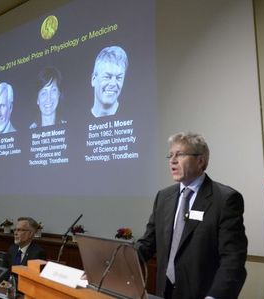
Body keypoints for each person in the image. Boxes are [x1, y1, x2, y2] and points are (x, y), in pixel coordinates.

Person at [135, 132, 247, 299]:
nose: (172, 161)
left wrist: (214, 297)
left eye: (179, 155)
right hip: (164, 292)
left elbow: (233, 260)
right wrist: (111, 269)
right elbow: (147, 244)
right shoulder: (163, 197)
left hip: (202, 294)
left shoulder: (225, 199)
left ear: (200, 160)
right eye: (170, 155)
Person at [90, 46, 128, 118]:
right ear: (93, 79)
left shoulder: (131, 114)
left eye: (119, 78)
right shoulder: (77, 118)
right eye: (107, 77)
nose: (113, 83)